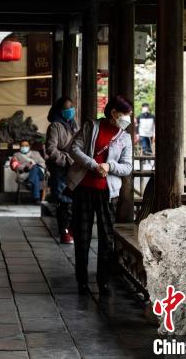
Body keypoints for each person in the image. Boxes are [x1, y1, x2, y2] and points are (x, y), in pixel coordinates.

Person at [67, 95, 133, 296]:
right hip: (83, 189)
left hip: (107, 193)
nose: (128, 118)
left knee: (106, 238)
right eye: (125, 114)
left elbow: (127, 167)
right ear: (113, 112)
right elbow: (73, 148)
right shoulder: (91, 127)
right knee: (82, 236)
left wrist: (109, 166)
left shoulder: (125, 137)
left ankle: (103, 282)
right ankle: (82, 281)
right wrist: (93, 165)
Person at [45, 97, 79, 244]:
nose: (70, 110)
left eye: (72, 107)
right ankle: (64, 231)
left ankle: (72, 230)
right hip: (61, 168)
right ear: (60, 110)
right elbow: (51, 149)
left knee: (75, 200)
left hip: (75, 168)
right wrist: (65, 160)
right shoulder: (55, 126)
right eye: (67, 108)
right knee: (63, 200)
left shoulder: (74, 125)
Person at [10, 139, 46, 204]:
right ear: (20, 147)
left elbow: (43, 163)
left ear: (29, 146)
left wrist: (35, 165)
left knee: (35, 167)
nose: (24, 147)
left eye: (26, 145)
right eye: (22, 146)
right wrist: (25, 168)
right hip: (26, 174)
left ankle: (30, 182)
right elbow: (14, 165)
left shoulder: (36, 153)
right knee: (36, 177)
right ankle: (36, 199)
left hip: (40, 172)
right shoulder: (16, 155)